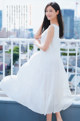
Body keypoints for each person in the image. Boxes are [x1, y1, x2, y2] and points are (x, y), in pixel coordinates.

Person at [0, 2, 74, 121]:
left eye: (50, 11)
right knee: (51, 102)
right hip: (52, 63)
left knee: (49, 99)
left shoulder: (51, 28)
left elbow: (43, 47)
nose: (48, 13)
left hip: (48, 63)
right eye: (46, 11)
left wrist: (36, 44)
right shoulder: (54, 27)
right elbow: (36, 34)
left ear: (57, 12)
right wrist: (45, 20)